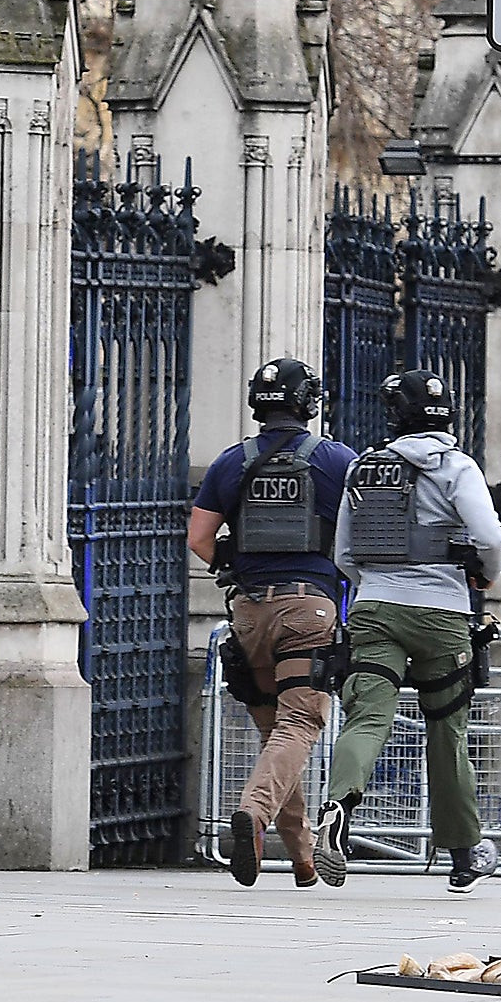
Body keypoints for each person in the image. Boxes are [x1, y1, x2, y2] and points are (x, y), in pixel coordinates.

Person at [318, 370, 501, 893]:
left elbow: (344, 555)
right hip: (442, 613)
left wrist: (376, 583)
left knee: (367, 719)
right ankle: (464, 854)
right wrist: (487, 575)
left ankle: (337, 807)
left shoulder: (363, 467)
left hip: (375, 606)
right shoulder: (456, 467)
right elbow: (489, 536)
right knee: (447, 730)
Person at [187, 357, 356, 888]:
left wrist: (232, 565)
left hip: (249, 610)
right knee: (300, 724)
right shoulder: (336, 460)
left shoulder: (230, 463)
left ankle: (301, 858)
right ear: (309, 402)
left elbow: (197, 540)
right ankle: (254, 816)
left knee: (276, 732)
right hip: (310, 608)